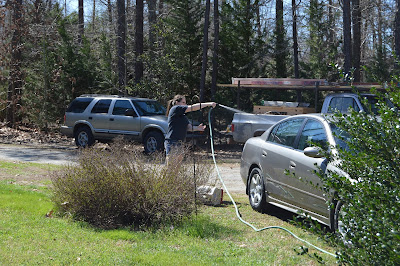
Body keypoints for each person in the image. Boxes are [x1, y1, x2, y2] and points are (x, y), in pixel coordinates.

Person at [164, 94, 216, 163]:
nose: (185, 104)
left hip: (180, 142)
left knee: (177, 166)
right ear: (177, 102)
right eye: (183, 102)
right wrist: (208, 104)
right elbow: (192, 108)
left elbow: (189, 127)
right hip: (172, 142)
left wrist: (197, 128)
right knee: (171, 166)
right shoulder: (175, 109)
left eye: (185, 103)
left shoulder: (183, 116)